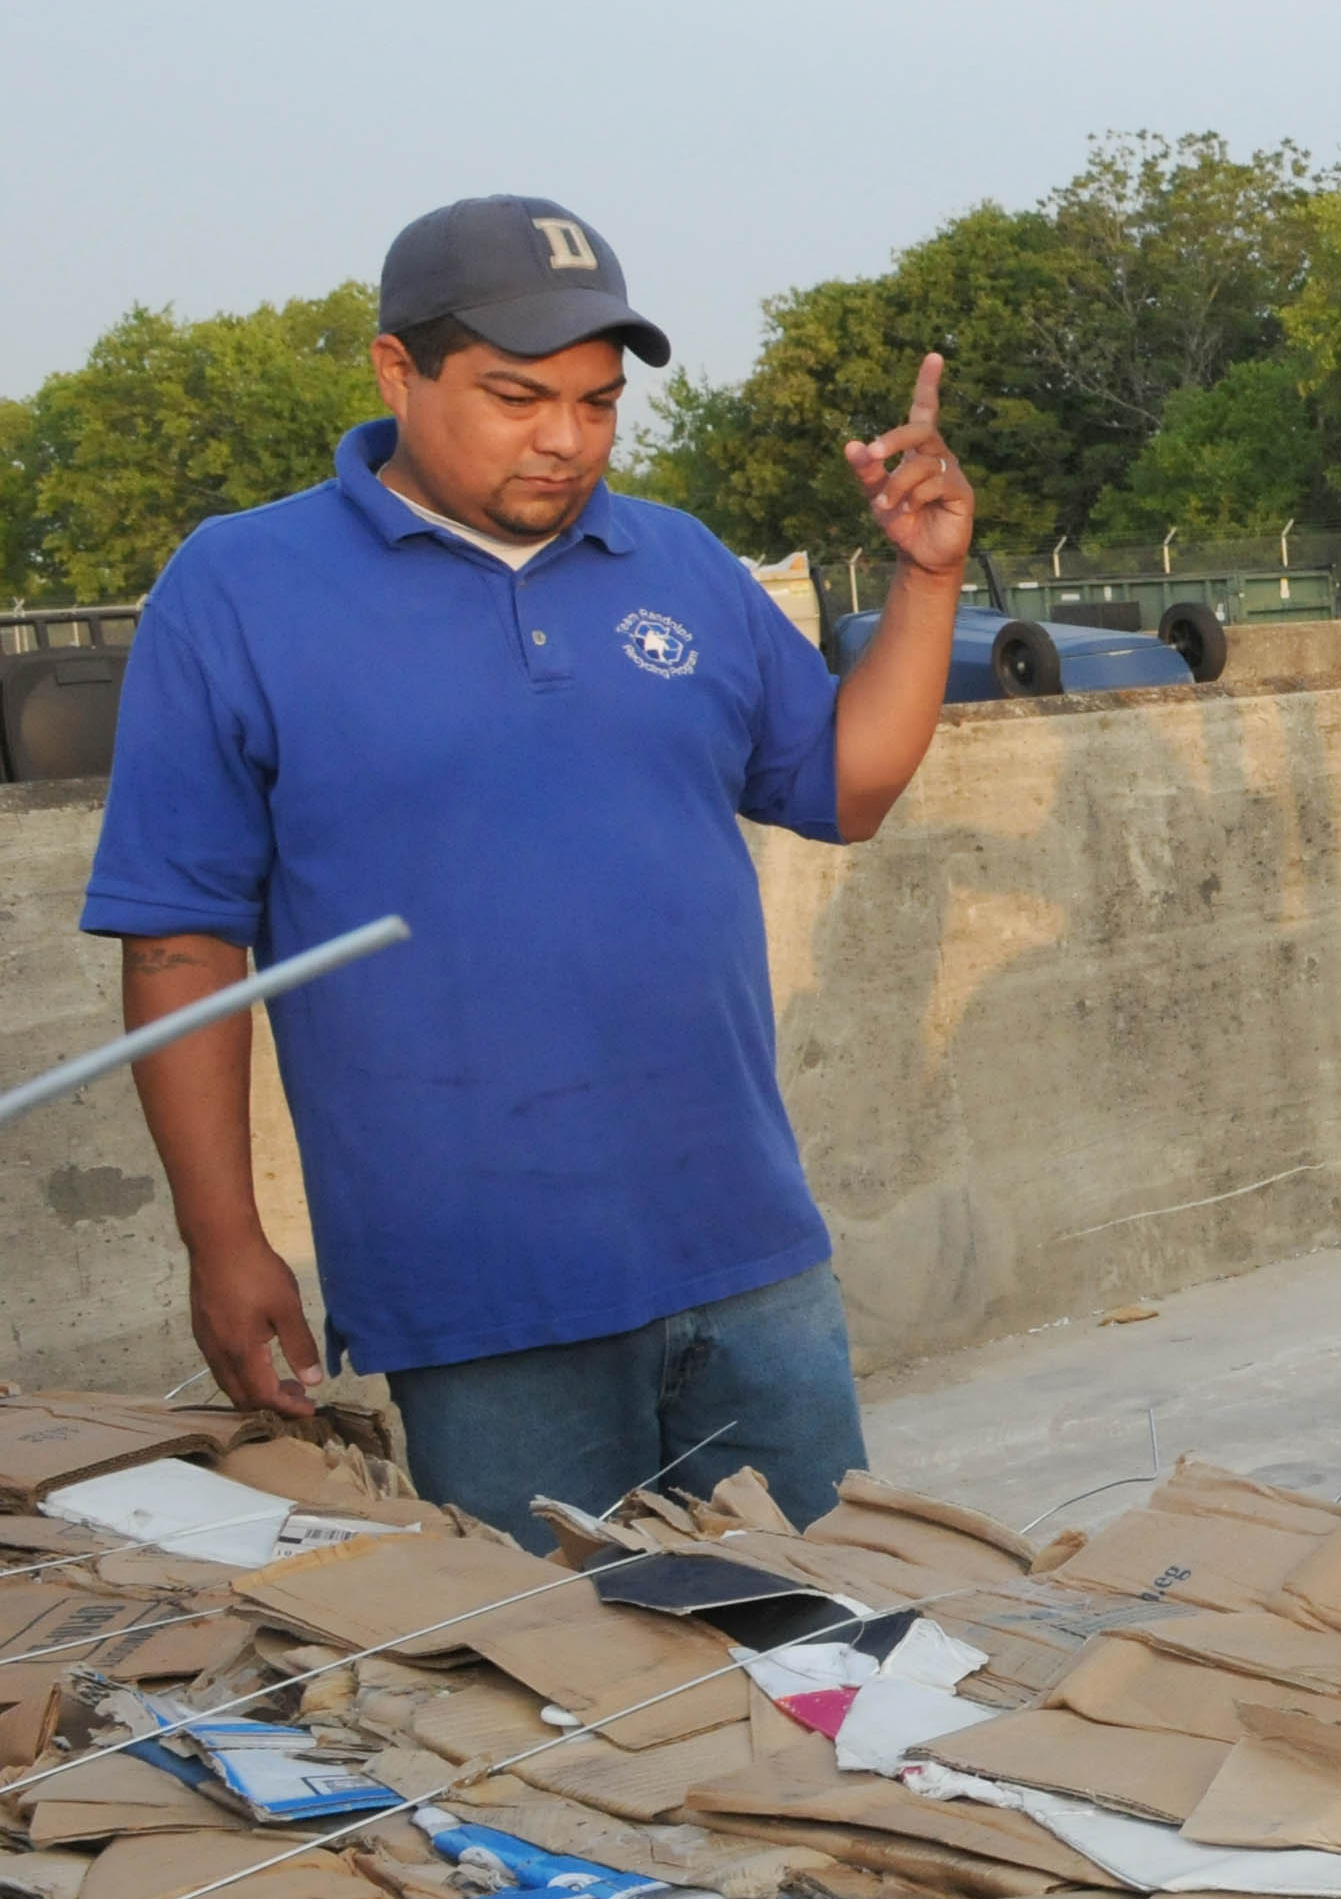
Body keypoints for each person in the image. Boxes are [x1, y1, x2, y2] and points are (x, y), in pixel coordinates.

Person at [86, 195, 981, 1547]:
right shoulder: (240, 590)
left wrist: (926, 582)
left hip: (745, 1250)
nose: (567, 440)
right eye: (517, 397)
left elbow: (845, 791)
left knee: (825, 1651)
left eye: (599, 401)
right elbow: (177, 943)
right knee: (560, 1689)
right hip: (480, 1294)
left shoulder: (674, 560)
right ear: (400, 372)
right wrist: (224, 1239)